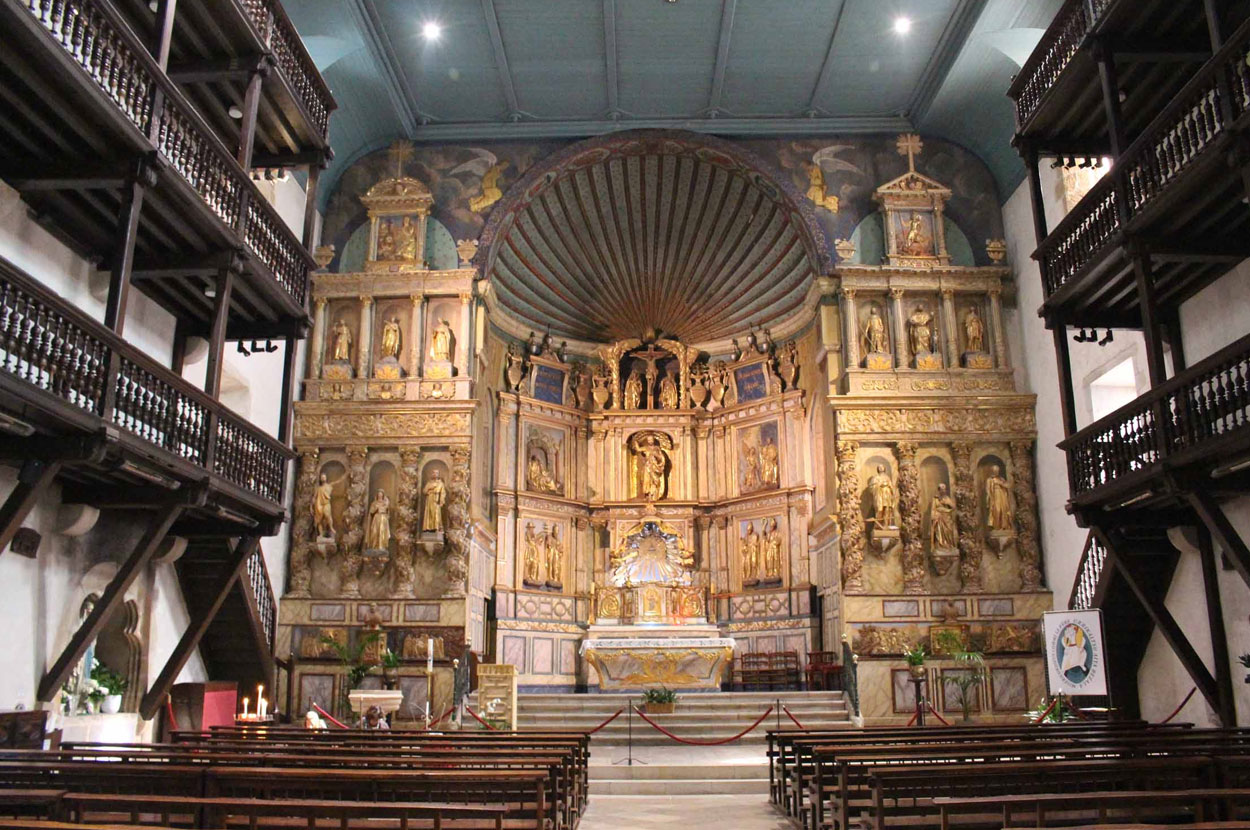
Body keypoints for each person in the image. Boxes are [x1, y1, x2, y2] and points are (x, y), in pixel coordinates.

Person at [928, 483, 957, 550]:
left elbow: (953, 507)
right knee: (939, 532)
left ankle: (949, 545)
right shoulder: (935, 499)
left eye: (944, 489)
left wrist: (948, 503)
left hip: (947, 518)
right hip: (939, 518)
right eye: (942, 489)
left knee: (948, 531)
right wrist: (935, 515)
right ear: (939, 490)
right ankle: (940, 546)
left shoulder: (947, 498)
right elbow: (933, 509)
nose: (943, 491)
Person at [985, 465, 1013, 531]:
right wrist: (988, 499)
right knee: (996, 510)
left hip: (1002, 496)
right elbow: (988, 490)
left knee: (1003, 510)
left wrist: (1000, 483)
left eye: (997, 470)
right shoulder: (989, 480)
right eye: (994, 470)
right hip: (994, 497)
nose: (996, 472)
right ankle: (996, 526)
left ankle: (1004, 526)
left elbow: (1009, 486)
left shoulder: (1001, 479)